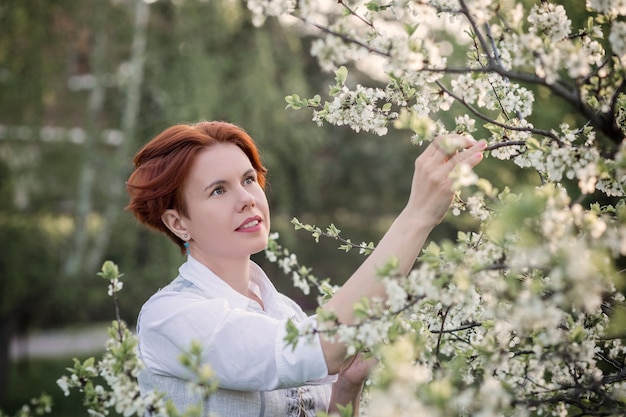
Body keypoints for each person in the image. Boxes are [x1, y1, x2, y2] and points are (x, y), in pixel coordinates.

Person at [126, 120, 486, 416]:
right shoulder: (171, 317)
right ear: (178, 223)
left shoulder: (287, 313)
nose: (247, 199)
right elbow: (317, 349)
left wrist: (346, 387)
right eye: (218, 190)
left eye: (248, 179)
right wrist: (418, 215)